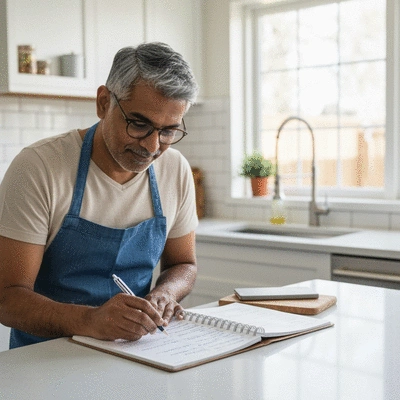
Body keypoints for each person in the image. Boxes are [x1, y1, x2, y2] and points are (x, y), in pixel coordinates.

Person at [0, 42, 199, 349]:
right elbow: (7, 298)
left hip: (136, 354)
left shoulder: (175, 170)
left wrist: (166, 293)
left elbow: (183, 265)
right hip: (43, 362)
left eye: (168, 131)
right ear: (104, 102)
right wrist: (90, 320)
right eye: (139, 124)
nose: (152, 146)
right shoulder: (39, 167)